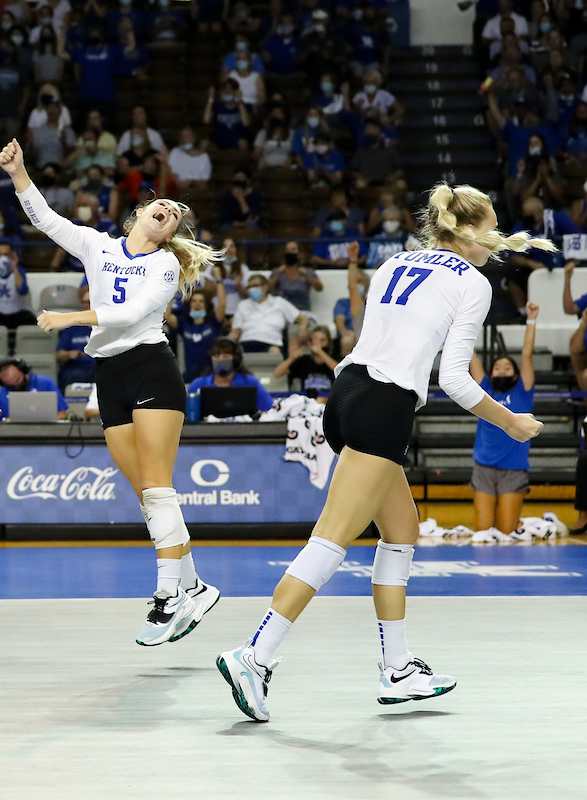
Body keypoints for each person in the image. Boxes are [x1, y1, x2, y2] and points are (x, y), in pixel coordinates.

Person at [216, 183, 550, 722]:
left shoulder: (395, 263)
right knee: (330, 542)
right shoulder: (472, 282)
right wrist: (510, 421)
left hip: (347, 394)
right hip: (385, 406)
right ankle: (255, 655)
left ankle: (398, 669)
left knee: (402, 531)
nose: (496, 239)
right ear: (469, 230)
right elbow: (455, 380)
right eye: (491, 227)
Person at [0, 137, 225, 645]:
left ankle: (169, 596)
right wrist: (18, 174)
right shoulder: (98, 246)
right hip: (110, 374)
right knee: (146, 495)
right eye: (161, 206)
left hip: (150, 368)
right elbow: (46, 220)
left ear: (171, 233)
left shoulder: (164, 265)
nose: (168, 211)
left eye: (175, 214)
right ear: (139, 213)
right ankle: (195, 585)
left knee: (158, 488)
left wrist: (71, 317)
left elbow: (131, 314)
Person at [470, 303, 539, 537]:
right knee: (483, 533)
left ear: (516, 374)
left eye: (507, 367)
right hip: (484, 469)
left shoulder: (523, 390)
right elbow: (470, 355)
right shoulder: (485, 388)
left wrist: (531, 319)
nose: (501, 370)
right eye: (497, 367)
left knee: (507, 533)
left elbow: (526, 355)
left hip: (513, 470)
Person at [188, 338, 274, 414]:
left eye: (226, 355)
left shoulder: (251, 382)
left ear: (235, 359)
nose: (221, 359)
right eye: (216, 355)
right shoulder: (198, 384)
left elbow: (269, 409)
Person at [229, 274, 308, 354]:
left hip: (271, 342)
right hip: (246, 341)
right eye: (250, 287)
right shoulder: (243, 305)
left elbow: (303, 318)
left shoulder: (279, 302)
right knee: (236, 353)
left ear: (265, 286)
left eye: (256, 285)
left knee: (274, 352)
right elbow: (236, 330)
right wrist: (227, 343)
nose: (252, 289)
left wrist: (303, 329)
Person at [167, 287, 227, 382]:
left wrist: (219, 281)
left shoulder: (213, 322)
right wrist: (172, 290)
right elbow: (167, 316)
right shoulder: (184, 324)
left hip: (211, 373)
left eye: (201, 301)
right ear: (190, 304)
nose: (197, 304)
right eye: (194, 301)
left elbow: (222, 305)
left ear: (206, 305)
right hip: (190, 374)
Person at [0, 357, 70, 420]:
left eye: (18, 381)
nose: (16, 386)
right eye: (11, 385)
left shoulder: (46, 383)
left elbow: (62, 414)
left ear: (23, 370)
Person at [274, 325, 339, 394]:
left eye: (322, 340)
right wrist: (292, 358)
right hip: (308, 398)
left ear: (328, 342)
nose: (318, 343)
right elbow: (277, 374)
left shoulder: (333, 359)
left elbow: (339, 371)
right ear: (310, 342)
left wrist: (320, 352)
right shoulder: (304, 360)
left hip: (328, 398)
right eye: (315, 340)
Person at [56, 293, 96, 391]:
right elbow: (59, 355)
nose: (86, 306)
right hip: (76, 367)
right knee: (72, 375)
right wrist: (69, 354)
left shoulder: (107, 326)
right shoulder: (72, 327)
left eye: (89, 302)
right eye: (84, 303)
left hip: (100, 367)